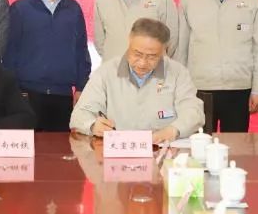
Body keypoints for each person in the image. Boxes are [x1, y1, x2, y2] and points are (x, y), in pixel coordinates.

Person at [176, 0, 258, 132]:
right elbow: (181, 49)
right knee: (199, 145)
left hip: (239, 89)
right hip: (199, 88)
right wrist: (180, 90)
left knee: (235, 146)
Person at [70, 18, 204, 143]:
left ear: (164, 50)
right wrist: (93, 125)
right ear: (129, 41)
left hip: (161, 150)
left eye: (152, 57)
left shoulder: (178, 73)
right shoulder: (106, 72)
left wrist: (174, 130)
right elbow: (79, 115)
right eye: (137, 54)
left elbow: (193, 112)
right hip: (118, 150)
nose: (142, 63)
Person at [4, 0, 92, 131]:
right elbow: (10, 54)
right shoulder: (20, 9)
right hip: (28, 94)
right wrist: (14, 92)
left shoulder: (73, 8)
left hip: (63, 95)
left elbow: (81, 51)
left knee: (62, 147)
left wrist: (81, 88)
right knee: (29, 146)